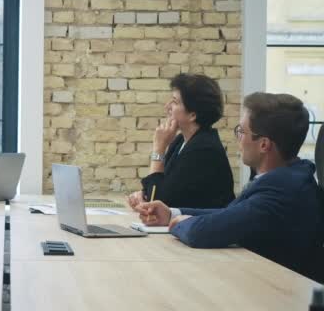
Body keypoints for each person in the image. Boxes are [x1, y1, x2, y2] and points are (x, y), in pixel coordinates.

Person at [135, 92, 324, 277]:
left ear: (264, 145)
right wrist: (171, 214)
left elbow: (203, 232)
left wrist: (180, 223)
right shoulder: (288, 176)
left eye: (241, 131)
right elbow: (230, 213)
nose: (238, 139)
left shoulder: (281, 190)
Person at [128, 73, 235, 210]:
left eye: (175, 102)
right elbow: (166, 188)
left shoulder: (204, 149)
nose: (168, 107)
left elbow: (158, 202)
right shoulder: (181, 141)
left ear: (192, 115)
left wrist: (159, 148)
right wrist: (144, 195)